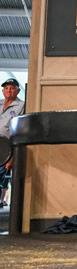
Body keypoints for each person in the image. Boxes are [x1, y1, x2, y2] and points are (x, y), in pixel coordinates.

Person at [1, 78, 25, 208]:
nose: (8, 90)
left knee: (5, 179)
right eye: (6, 88)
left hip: (8, 148)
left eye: (12, 88)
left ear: (18, 90)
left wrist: (12, 157)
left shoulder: (21, 105)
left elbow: (20, 130)